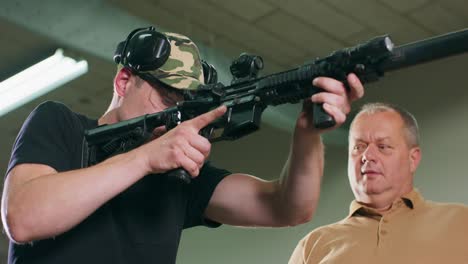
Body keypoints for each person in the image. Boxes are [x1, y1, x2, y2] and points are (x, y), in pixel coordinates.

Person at [1, 26, 363, 264]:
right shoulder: (62, 125)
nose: (173, 117)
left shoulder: (175, 175)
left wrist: (308, 133)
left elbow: (287, 207)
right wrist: (143, 159)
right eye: (165, 98)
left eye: (183, 107)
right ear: (124, 81)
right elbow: (23, 217)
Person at [289, 102, 468, 264]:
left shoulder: (462, 222)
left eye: (383, 147)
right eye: (359, 147)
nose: (367, 156)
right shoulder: (312, 246)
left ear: (412, 159)